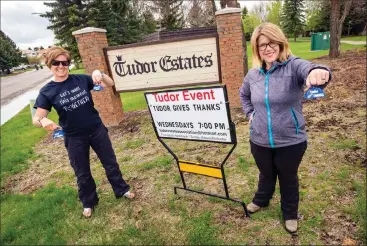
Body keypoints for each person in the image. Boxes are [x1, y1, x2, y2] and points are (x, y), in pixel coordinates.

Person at [239, 23, 331, 233]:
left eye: (272, 43)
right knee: (266, 173)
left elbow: (310, 69)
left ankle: (290, 213)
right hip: (259, 139)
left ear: (281, 44)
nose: (267, 48)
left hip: (291, 140)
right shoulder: (253, 75)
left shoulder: (293, 66)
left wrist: (319, 71)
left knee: (288, 177)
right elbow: (243, 95)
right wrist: (250, 113)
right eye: (262, 45)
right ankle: (261, 200)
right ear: (256, 49)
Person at [32, 47, 135, 218]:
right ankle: (89, 202)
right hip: (74, 137)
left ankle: (122, 190)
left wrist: (99, 73)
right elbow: (35, 119)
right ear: (50, 64)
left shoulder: (81, 79)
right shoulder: (47, 91)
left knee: (110, 163)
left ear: (68, 64)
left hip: (96, 129)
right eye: (56, 63)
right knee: (82, 172)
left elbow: (109, 83)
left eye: (64, 62)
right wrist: (43, 121)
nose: (61, 66)